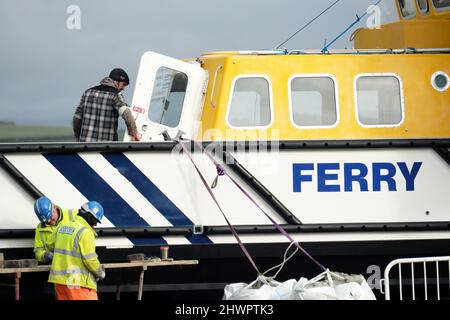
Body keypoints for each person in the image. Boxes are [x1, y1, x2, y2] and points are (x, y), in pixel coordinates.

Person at [47, 201, 105, 300]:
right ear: (90, 216)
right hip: (78, 284)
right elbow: (90, 260)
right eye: (95, 221)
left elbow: (49, 244)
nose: (95, 225)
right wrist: (100, 273)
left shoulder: (61, 226)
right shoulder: (86, 232)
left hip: (60, 283)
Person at [73, 68, 142, 142]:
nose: (123, 88)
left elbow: (77, 118)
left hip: (86, 147)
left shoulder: (87, 92)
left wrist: (78, 139)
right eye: (123, 84)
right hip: (107, 148)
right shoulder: (115, 95)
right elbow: (126, 112)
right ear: (117, 81)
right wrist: (134, 133)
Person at [33, 196, 78, 264]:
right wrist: (44, 255)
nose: (50, 221)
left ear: (54, 207)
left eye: (50, 217)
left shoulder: (74, 215)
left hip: (75, 265)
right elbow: (38, 251)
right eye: (47, 220)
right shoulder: (40, 229)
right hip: (56, 269)